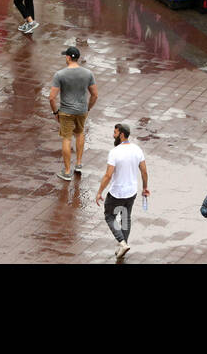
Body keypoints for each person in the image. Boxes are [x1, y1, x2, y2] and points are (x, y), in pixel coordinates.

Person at [93, 123, 149, 260]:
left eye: (115, 132)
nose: (113, 135)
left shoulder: (115, 152)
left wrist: (100, 191)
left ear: (121, 134)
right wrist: (145, 188)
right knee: (125, 218)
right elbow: (144, 171)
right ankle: (123, 245)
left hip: (117, 192)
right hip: (131, 192)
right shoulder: (137, 149)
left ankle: (122, 243)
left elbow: (108, 175)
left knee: (109, 216)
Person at [50, 46, 97, 180]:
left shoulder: (60, 74)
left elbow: (51, 97)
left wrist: (55, 112)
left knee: (66, 138)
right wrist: (88, 108)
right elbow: (95, 95)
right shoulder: (88, 73)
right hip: (81, 110)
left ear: (68, 57)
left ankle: (66, 171)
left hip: (66, 111)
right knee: (80, 133)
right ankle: (78, 164)